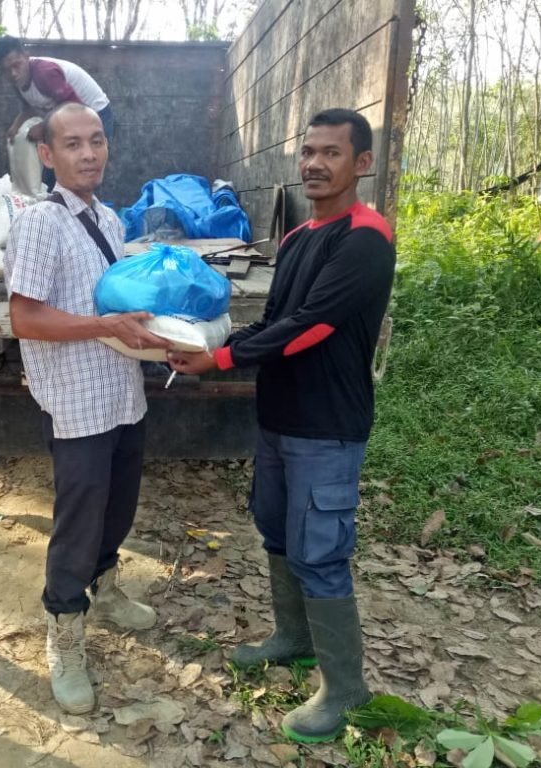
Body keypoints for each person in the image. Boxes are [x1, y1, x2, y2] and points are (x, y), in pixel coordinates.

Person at [168, 108, 396, 744]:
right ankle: (293, 637)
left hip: (328, 426)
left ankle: (346, 691)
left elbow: (313, 326)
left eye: (331, 153)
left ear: (361, 164)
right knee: (276, 530)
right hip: (278, 417)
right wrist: (208, 335)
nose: (315, 164)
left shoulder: (366, 238)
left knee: (321, 552)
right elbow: (274, 319)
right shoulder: (296, 240)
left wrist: (218, 359)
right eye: (308, 152)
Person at [3, 102, 169, 714]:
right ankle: (64, 631)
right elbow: (25, 316)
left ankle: (107, 583)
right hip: (74, 401)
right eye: (72, 144)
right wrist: (103, 324)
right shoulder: (40, 223)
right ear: (48, 156)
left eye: (96, 140)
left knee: (119, 507)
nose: (88, 153)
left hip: (121, 392)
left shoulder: (109, 218)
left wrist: (163, 335)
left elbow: (121, 301)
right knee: (77, 521)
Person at [0, 35, 113, 188]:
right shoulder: (18, 80)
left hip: (95, 114)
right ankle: (54, 206)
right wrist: (16, 126)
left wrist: (44, 127)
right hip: (69, 116)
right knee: (53, 170)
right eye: (7, 70)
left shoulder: (45, 73)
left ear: (26, 56)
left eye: (17, 65)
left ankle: (86, 210)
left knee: (83, 170)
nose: (14, 73)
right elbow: (28, 107)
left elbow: (74, 106)